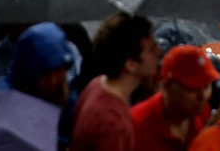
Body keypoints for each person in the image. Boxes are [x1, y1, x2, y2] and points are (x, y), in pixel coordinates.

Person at [68, 13, 159, 151]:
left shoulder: (97, 84)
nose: (159, 51)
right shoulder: (114, 126)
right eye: (151, 49)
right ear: (131, 65)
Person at [131, 45, 220, 151]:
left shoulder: (202, 113)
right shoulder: (135, 126)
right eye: (192, 87)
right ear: (166, 86)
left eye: (206, 86)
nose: (202, 96)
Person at [0, 23, 75, 107]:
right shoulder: (4, 99)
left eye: (57, 70)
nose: (53, 81)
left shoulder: (67, 99)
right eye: (45, 74)